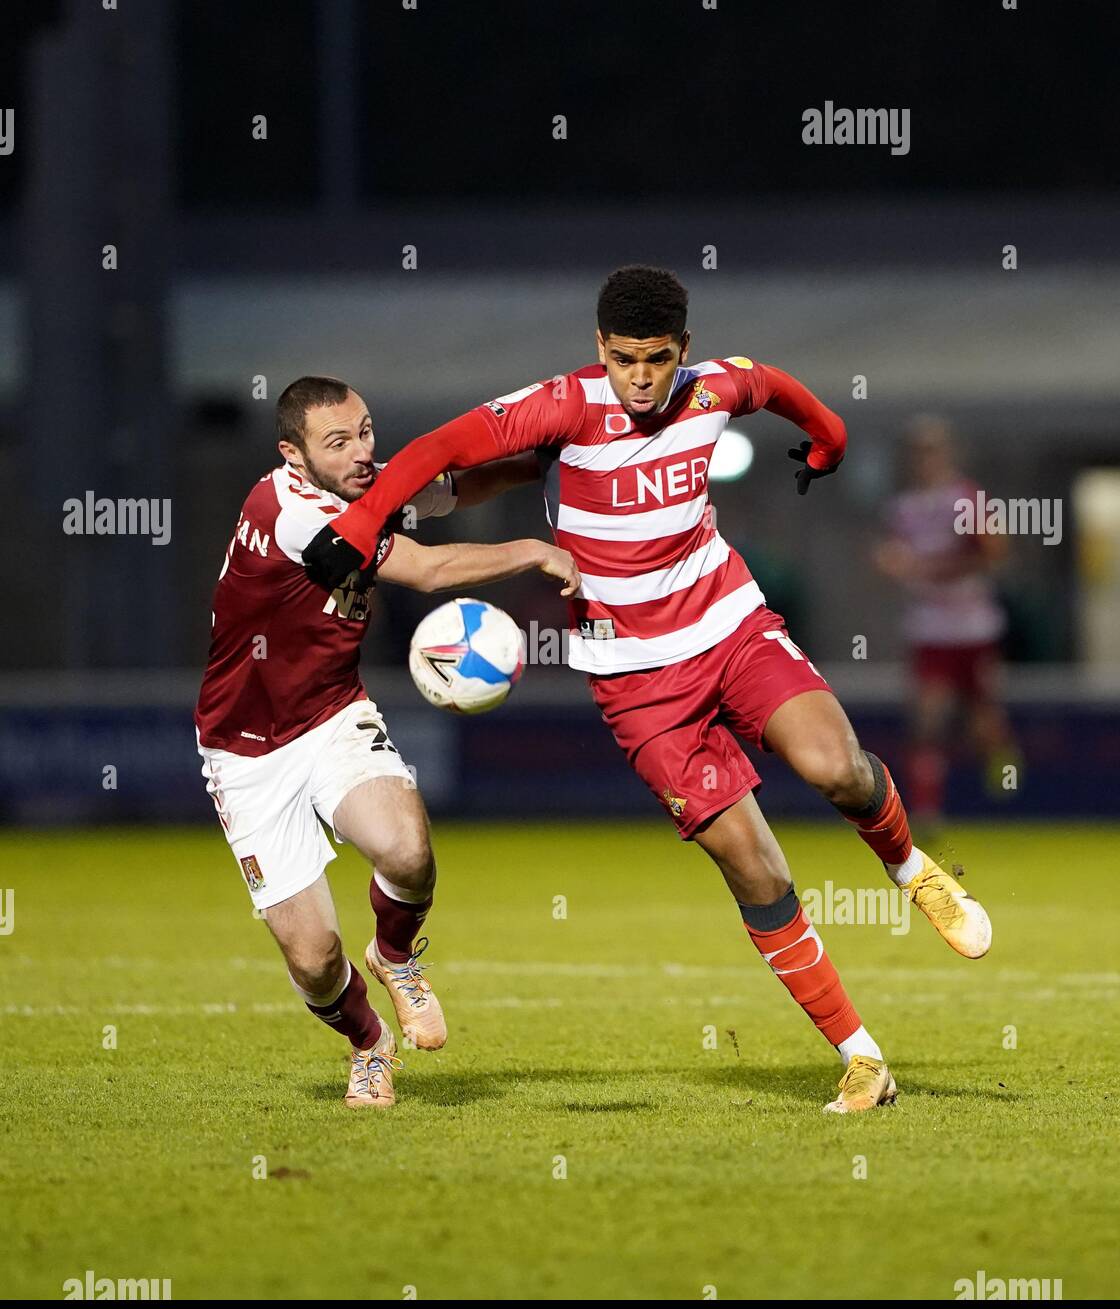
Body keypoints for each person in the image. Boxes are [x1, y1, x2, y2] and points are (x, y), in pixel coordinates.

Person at [302, 266, 994, 1115]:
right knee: (753, 865)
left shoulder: (711, 391)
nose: (639, 376)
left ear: (683, 352)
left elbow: (776, 386)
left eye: (656, 359)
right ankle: (861, 1059)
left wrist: (831, 443)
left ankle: (910, 868)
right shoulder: (562, 405)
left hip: (731, 626)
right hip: (636, 681)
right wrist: (363, 525)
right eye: (624, 358)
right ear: (601, 349)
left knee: (836, 766)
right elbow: (441, 450)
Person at [194, 376, 578, 1108]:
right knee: (313, 962)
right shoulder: (288, 511)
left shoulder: (372, 489)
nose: (364, 452)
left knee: (407, 850)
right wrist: (533, 548)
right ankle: (368, 1042)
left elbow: (456, 490)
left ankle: (395, 955)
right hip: (245, 753)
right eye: (338, 442)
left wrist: (545, 462)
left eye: (366, 431)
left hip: (333, 714)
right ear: (292, 454)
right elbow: (428, 569)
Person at [874, 415, 1019, 830]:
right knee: (927, 720)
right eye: (918, 452)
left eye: (932, 451)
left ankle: (1005, 774)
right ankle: (926, 811)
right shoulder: (902, 508)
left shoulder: (966, 499)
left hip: (973, 626)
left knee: (983, 724)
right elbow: (896, 560)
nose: (925, 460)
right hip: (929, 628)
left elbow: (994, 553)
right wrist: (893, 565)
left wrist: (929, 568)